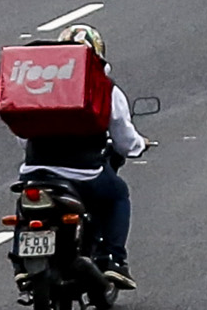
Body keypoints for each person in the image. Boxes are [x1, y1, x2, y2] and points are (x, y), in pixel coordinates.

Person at [18, 23, 147, 289]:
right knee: (117, 195)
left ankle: (21, 264)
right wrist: (139, 147)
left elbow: (22, 130)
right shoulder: (104, 87)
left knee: (24, 210)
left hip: (35, 171)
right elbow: (124, 139)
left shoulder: (39, 83)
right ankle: (113, 260)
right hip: (84, 173)